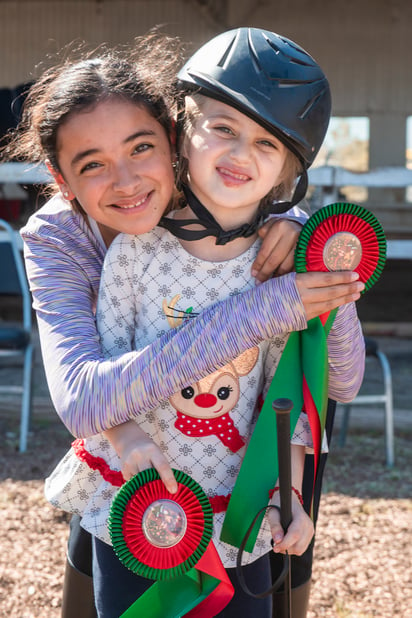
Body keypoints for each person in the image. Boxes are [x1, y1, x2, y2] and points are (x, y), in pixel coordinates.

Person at [0, 32, 360, 618]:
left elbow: (322, 383)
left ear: (169, 138)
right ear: (60, 179)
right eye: (91, 164)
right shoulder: (67, 240)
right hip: (137, 493)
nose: (125, 181)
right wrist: (270, 307)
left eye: (139, 149)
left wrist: (320, 261)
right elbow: (86, 396)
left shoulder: (273, 232)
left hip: (249, 491)